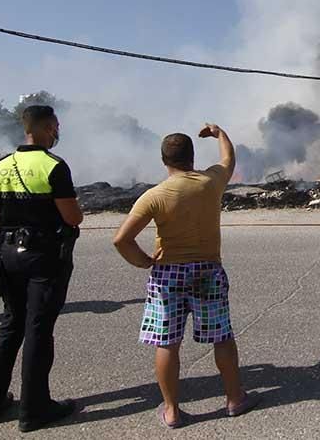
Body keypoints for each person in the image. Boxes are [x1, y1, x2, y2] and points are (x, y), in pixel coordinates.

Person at [113, 123, 258, 428]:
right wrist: (219, 134)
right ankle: (234, 399)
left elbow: (121, 239)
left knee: (167, 343)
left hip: (167, 275)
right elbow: (229, 160)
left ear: (164, 161)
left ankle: (171, 411)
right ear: (192, 158)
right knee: (222, 337)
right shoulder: (211, 182)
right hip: (207, 270)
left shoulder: (154, 195)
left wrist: (143, 261)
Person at [0, 105, 84, 432]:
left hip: (7, 255)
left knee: (11, 324)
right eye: (54, 127)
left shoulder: (0, 166)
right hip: (43, 257)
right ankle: (34, 408)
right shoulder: (53, 166)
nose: (56, 133)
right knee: (38, 328)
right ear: (47, 127)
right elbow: (72, 217)